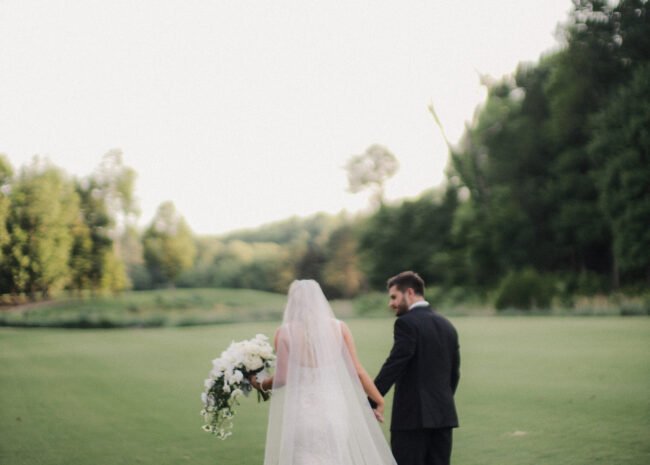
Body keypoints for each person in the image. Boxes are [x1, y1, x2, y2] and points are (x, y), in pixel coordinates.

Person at [250, 279, 396, 465]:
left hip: (302, 413)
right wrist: (379, 400)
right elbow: (357, 371)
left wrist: (259, 383)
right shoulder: (339, 328)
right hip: (334, 410)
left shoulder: (285, 333)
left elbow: (282, 378)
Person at [373, 271, 460, 465]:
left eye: (394, 297)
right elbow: (454, 375)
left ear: (410, 292)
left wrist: (371, 399)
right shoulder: (448, 325)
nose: (391, 303)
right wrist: (439, 401)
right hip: (443, 417)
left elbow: (394, 365)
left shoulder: (406, 323)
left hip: (411, 419)